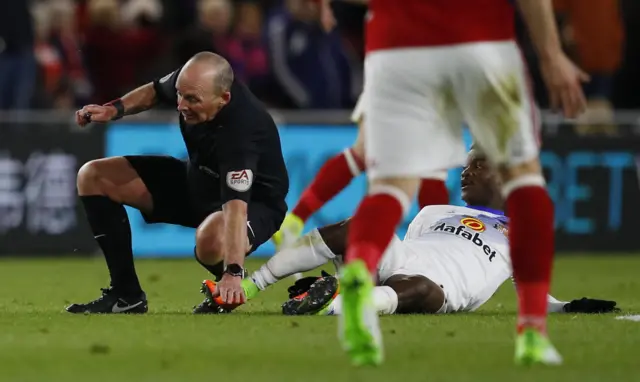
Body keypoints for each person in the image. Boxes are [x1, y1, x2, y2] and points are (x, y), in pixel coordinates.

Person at [316, 0, 589, 366]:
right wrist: (552, 55)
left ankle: (360, 275)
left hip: (399, 46)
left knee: (390, 186)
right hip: (479, 41)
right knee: (524, 183)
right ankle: (532, 330)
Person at [201, 149, 618, 318]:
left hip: (443, 287)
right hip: (405, 261)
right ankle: (249, 288)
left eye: (478, 165)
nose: (465, 171)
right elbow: (399, 246)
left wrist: (569, 307)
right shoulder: (437, 210)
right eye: (467, 163)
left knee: (415, 288)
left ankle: (335, 301)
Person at [66, 52, 289, 314]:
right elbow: (155, 91)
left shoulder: (242, 130)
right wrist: (114, 109)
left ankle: (230, 288)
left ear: (224, 98)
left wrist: (233, 271)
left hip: (255, 204)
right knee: (93, 176)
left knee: (210, 241)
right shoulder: (193, 81)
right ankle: (126, 296)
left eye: (192, 99)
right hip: (196, 182)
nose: (181, 105)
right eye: (180, 95)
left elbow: (236, 207)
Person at [271, 94, 450, 252]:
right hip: (408, 73)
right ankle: (436, 247)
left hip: (403, 72)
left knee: (427, 164)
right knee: (422, 163)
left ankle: (436, 246)